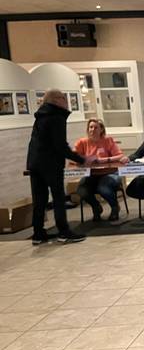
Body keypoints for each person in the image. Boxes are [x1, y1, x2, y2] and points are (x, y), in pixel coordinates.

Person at [26, 89, 95, 245]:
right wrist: (81, 159)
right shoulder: (56, 116)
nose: (66, 101)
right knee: (58, 197)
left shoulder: (41, 116)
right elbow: (60, 145)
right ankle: (63, 232)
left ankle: (38, 234)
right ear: (56, 100)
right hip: (50, 163)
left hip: (34, 162)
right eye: (64, 98)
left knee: (40, 199)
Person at [74, 118, 129, 221]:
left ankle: (114, 207)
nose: (93, 130)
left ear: (101, 130)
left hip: (110, 173)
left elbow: (120, 155)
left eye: (96, 127)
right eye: (91, 127)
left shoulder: (108, 140)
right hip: (92, 174)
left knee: (103, 187)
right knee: (81, 190)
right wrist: (83, 160)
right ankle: (96, 207)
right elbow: (73, 158)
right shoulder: (82, 142)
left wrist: (104, 160)